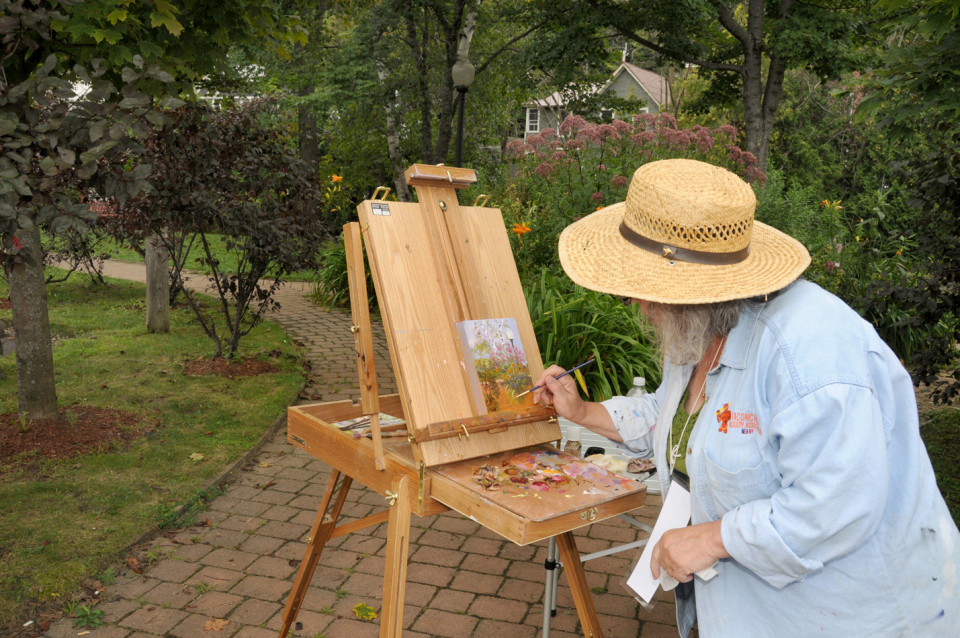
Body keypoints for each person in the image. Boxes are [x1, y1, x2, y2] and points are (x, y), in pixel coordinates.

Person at [532, 159, 960, 637]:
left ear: (688, 289)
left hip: (858, 615)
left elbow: (837, 504)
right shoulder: (701, 326)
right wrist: (583, 411)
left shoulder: (811, 351)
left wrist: (712, 539)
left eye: (642, 289)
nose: (635, 303)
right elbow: (678, 419)